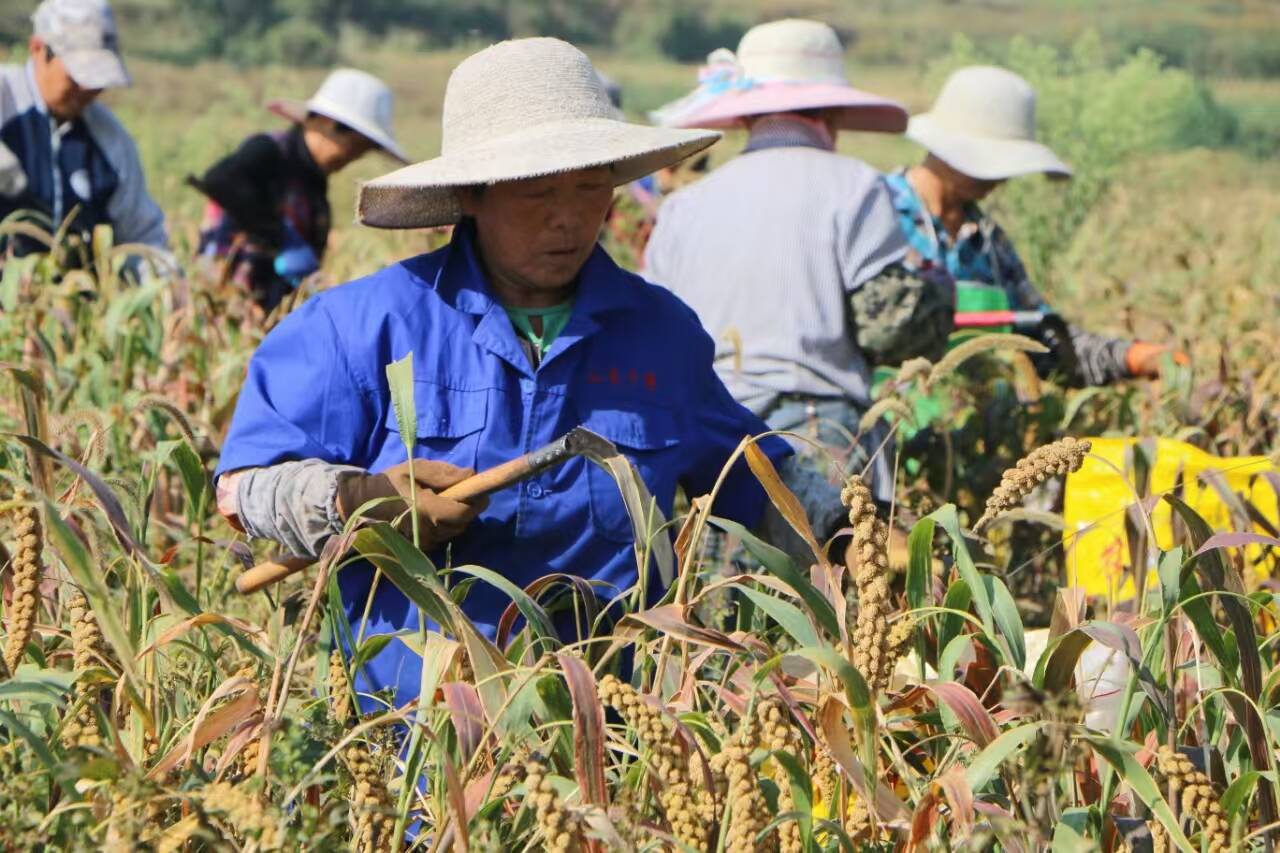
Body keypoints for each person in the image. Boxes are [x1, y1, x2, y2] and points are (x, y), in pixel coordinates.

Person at [214, 38, 791, 710]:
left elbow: (753, 477)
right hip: (412, 754)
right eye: (538, 190)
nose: (570, 217)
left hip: (604, 738)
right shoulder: (361, 327)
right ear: (470, 195)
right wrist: (357, 499)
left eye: (589, 185)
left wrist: (860, 533)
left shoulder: (662, 335)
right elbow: (243, 489)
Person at [644, 19, 955, 510]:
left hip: (706, 441)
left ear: (747, 118)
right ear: (831, 111)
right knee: (825, 576)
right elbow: (888, 328)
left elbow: (653, 333)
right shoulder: (856, 187)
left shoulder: (684, 206)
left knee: (724, 583)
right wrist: (936, 293)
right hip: (815, 436)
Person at [886, 65, 1187, 385]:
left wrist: (1133, 357)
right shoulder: (877, 217)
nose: (1000, 178)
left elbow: (1045, 341)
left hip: (975, 430)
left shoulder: (988, 244)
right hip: (886, 430)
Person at [189, 68, 406, 314]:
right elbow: (220, 181)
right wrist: (282, 238)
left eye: (361, 152)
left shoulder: (314, 185)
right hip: (225, 305)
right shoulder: (269, 151)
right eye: (354, 146)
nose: (352, 158)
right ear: (326, 123)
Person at [0, 0, 166, 257]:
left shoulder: (111, 140)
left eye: (97, 78)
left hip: (72, 291)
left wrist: (166, 287)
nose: (88, 89)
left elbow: (142, 236)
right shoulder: (5, 98)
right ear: (37, 49)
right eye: (78, 76)